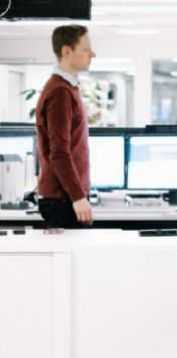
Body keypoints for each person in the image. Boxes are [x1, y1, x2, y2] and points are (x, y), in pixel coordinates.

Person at [35, 24, 96, 229]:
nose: (92, 54)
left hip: (65, 197)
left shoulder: (67, 88)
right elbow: (59, 152)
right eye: (86, 49)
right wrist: (78, 197)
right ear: (66, 51)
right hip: (63, 199)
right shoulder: (60, 92)